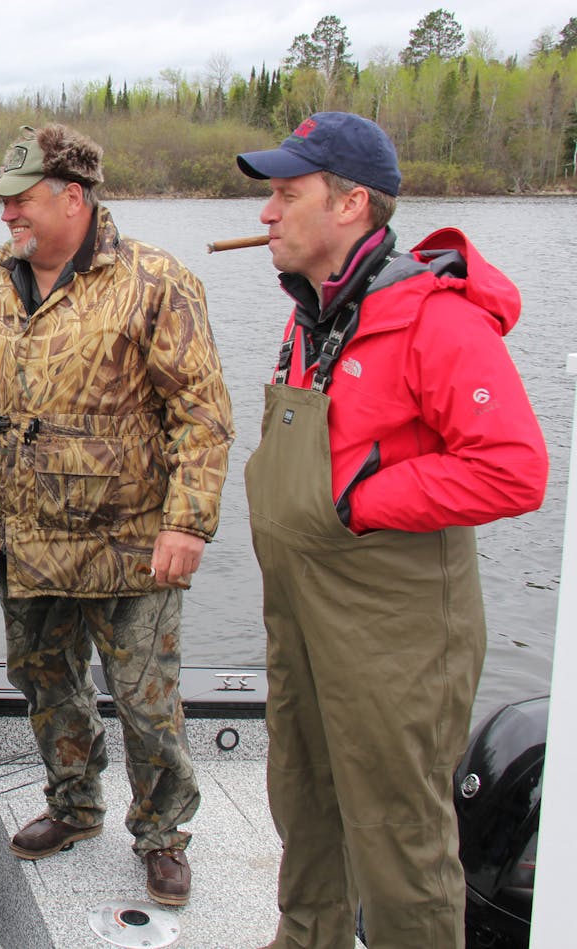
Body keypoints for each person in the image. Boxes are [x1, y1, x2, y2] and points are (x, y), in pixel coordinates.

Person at [235, 112, 548, 948]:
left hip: (394, 632)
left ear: (351, 206)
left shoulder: (436, 320)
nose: (266, 213)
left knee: (400, 839)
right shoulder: (314, 315)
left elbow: (514, 469)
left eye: (285, 193)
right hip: (303, 615)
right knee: (302, 798)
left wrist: (358, 500)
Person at [0, 124, 233, 907]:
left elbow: (202, 414)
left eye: (19, 201)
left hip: (131, 545)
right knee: (45, 683)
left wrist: (187, 523)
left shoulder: (156, 280)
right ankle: (74, 806)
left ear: (73, 197)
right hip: (26, 541)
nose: (6, 217)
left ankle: (161, 835)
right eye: (3, 203)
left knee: (148, 701)